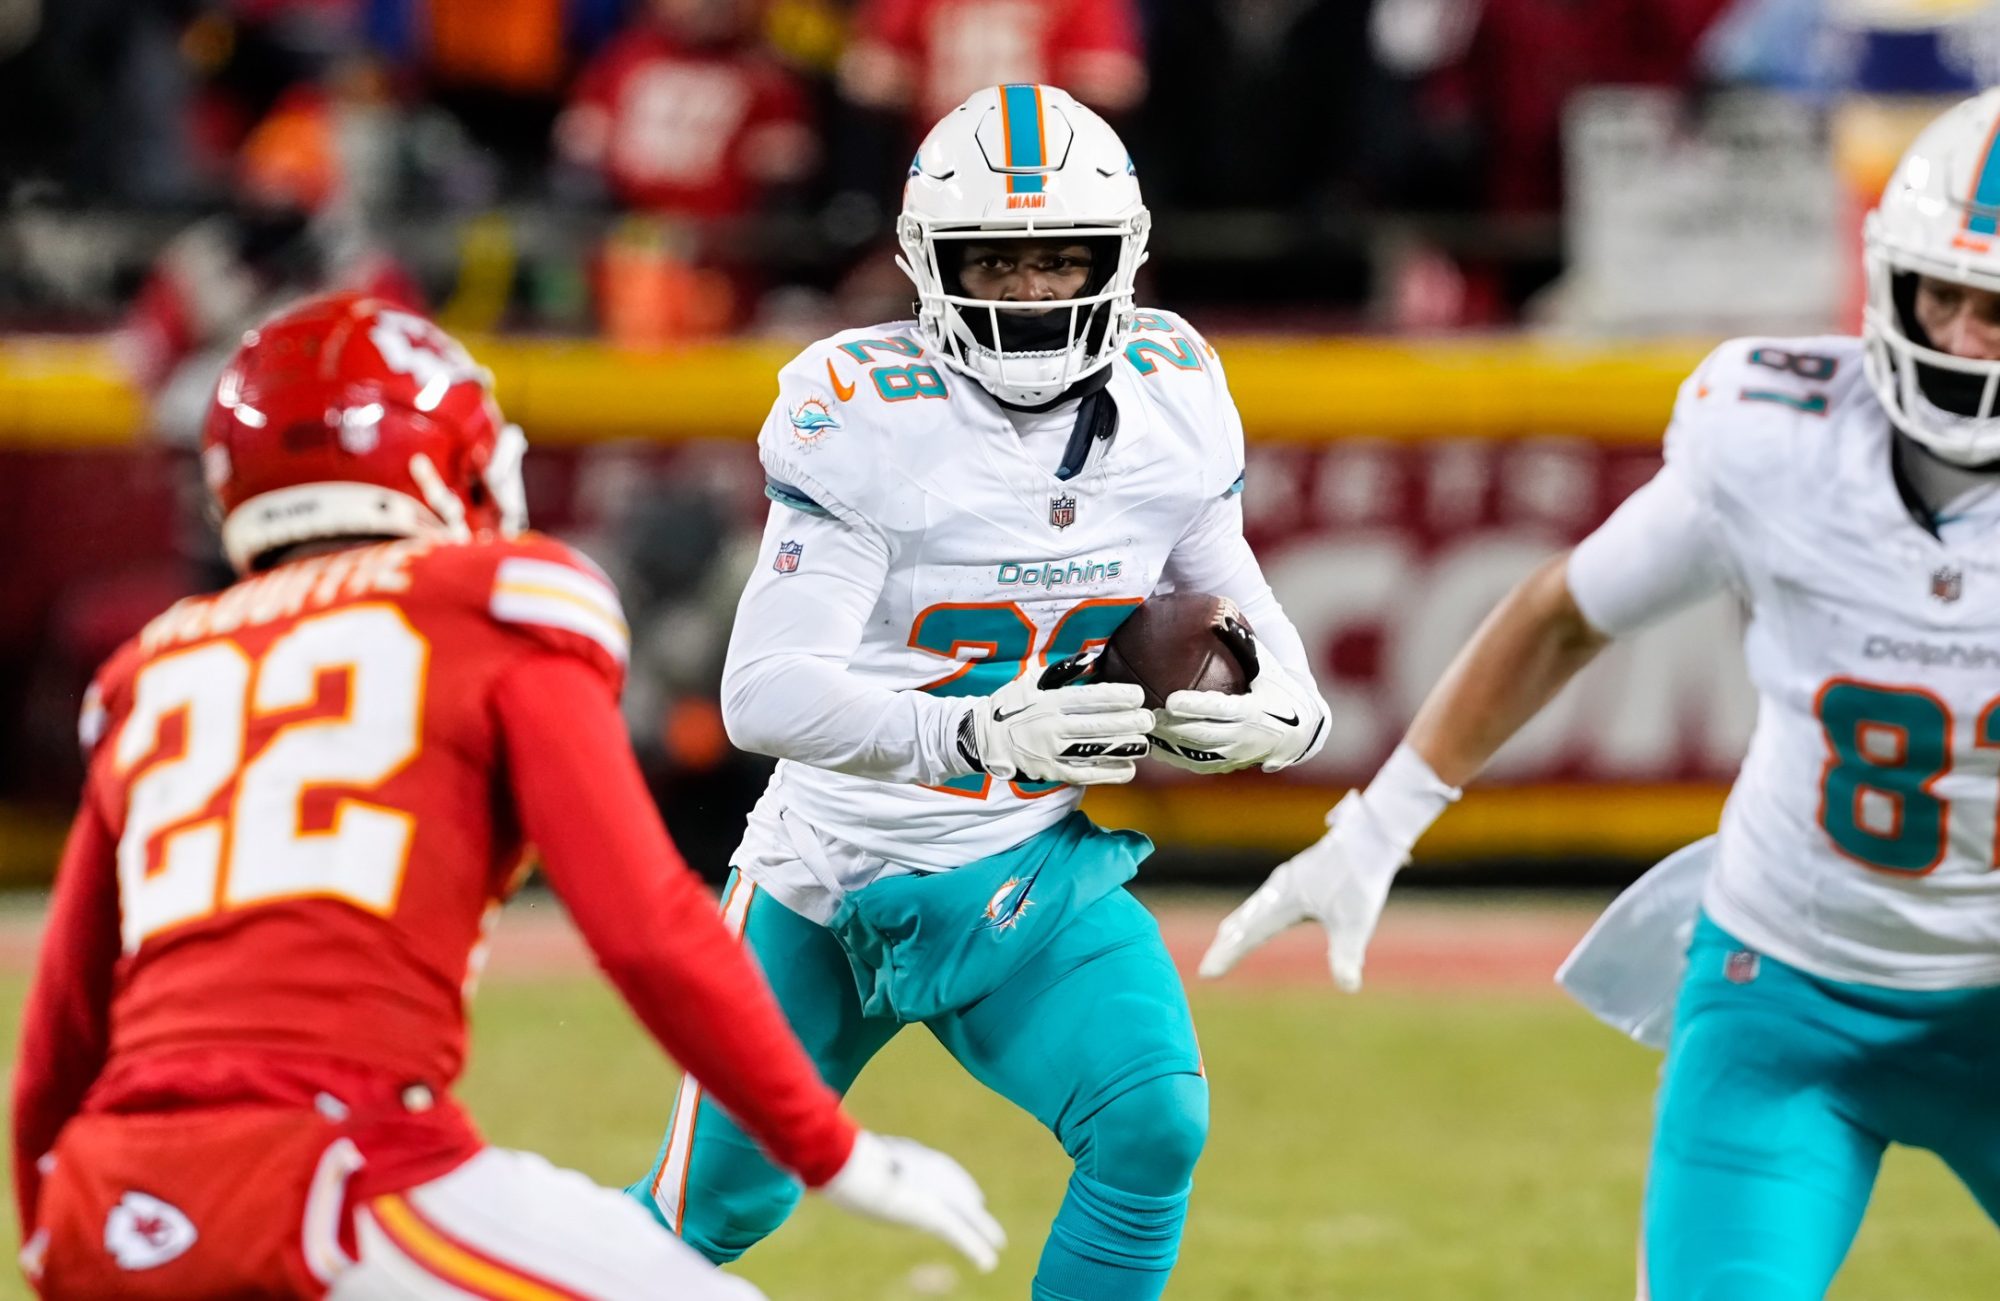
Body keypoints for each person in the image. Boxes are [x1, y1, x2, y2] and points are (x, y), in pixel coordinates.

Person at [12, 291, 1003, 1299]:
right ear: (443, 464)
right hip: (343, 1167)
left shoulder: (156, 666)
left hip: (107, 1199)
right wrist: (833, 1150)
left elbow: (63, 1029)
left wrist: (53, 1230)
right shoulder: (496, 603)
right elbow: (647, 927)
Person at [1200, 88, 2000, 1300]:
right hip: (1781, 998)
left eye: (1988, 308)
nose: (1950, 330)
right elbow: (1561, 612)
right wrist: (1377, 823)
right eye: (1935, 291)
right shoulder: (1777, 438)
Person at [628, 83, 1331, 1301]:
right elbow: (764, 695)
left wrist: (1288, 711)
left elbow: (1244, 612)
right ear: (923, 264)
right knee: (708, 1213)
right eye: (993, 263)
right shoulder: (865, 414)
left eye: (1059, 260)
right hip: (831, 869)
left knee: (1152, 1121)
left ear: (1122, 259)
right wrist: (976, 728)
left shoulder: (1169, 396)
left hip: (1021, 863)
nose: (1028, 294)